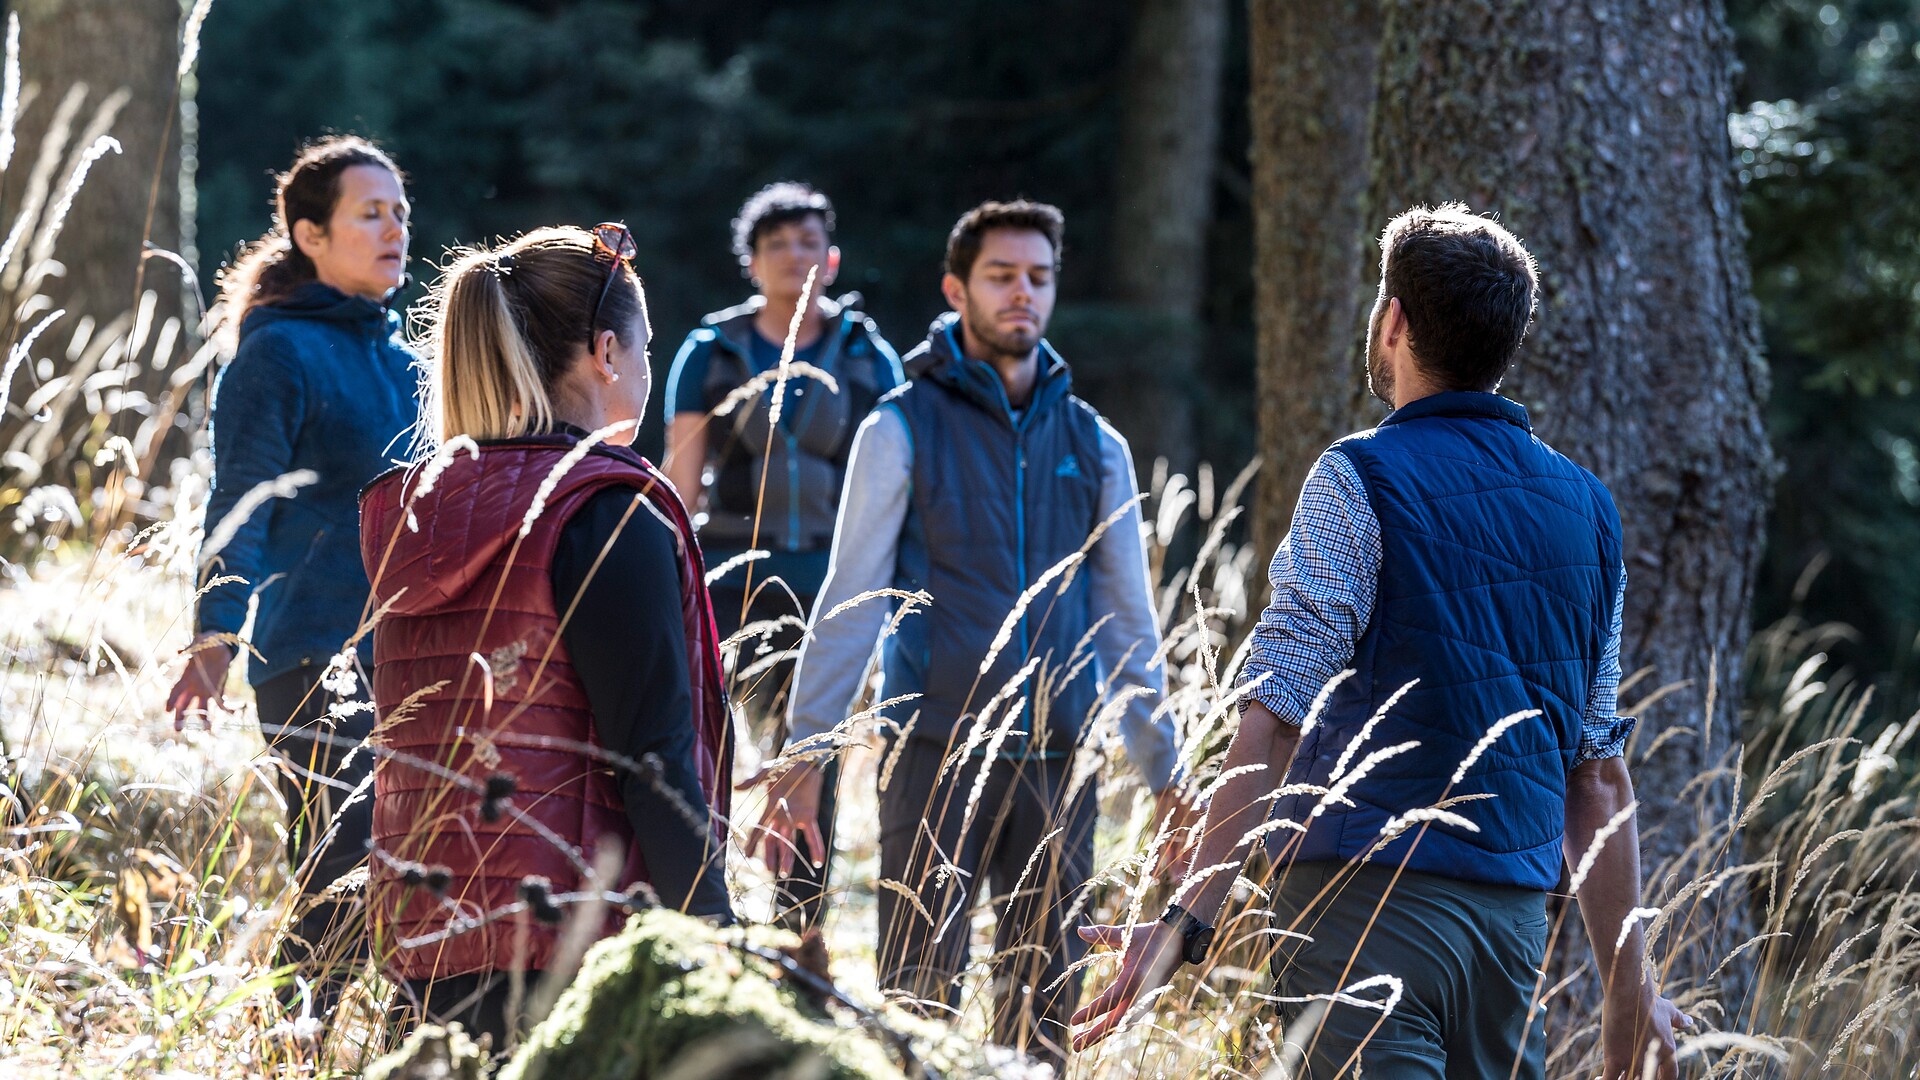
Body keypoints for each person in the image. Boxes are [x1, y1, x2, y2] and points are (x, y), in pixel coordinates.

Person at [1071, 205, 1694, 1080]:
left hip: (1357, 914)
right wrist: (1631, 996)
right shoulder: (1589, 510)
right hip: (1511, 932)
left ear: (1392, 321)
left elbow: (1276, 715)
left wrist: (1185, 923)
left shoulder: (1359, 477)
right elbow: (1595, 772)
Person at [752, 200, 1187, 1068]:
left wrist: (1168, 774)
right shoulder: (899, 427)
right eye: (1000, 276)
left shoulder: (1096, 443)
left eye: (1038, 277)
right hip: (935, 754)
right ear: (956, 289)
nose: (1021, 294)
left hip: (1062, 766)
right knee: (918, 1009)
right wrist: (804, 760)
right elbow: (852, 601)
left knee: (1043, 1027)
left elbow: (1128, 623)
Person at [358, 225, 734, 1050]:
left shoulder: (423, 510)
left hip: (428, 942)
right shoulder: (603, 506)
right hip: (574, 952)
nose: (645, 367)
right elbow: (654, 756)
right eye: (644, 347)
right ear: (607, 351)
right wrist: (719, 943)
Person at [166, 135, 419, 1019]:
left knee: (415, 859)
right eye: (369, 214)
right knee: (341, 859)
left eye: (400, 213)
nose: (394, 230)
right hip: (309, 652)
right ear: (311, 234)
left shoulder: (405, 361)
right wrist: (215, 635)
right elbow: (240, 502)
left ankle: (402, 1049)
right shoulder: (275, 355)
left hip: (416, 659)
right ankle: (289, 1041)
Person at [663, 182, 901, 930]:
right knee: (706, 749)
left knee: (809, 755)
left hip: (834, 587)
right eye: (777, 246)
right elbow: (679, 479)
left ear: (831, 259)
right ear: (752, 262)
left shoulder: (867, 353)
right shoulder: (710, 350)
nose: (794, 258)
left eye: (808, 244)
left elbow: (900, 476)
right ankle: (707, 913)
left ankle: (800, 932)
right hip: (730, 580)